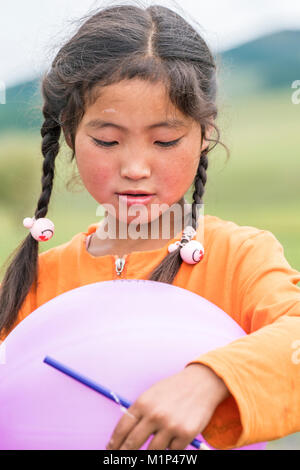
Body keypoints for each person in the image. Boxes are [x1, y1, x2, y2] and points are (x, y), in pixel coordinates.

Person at [0, 1, 300, 451]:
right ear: (69, 135)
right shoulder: (41, 281)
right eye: (107, 139)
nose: (135, 167)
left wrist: (211, 378)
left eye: (165, 140)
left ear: (203, 135)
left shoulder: (241, 257)